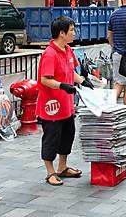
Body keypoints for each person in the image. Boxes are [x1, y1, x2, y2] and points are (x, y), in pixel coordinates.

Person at [36, 17, 94, 186]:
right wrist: (62, 85)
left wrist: (82, 81)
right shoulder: (49, 54)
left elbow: (71, 71)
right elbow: (45, 79)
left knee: (67, 135)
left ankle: (62, 167)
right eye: (71, 31)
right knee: (51, 139)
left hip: (67, 105)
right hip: (51, 106)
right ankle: (50, 172)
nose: (74, 33)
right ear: (62, 33)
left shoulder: (68, 50)